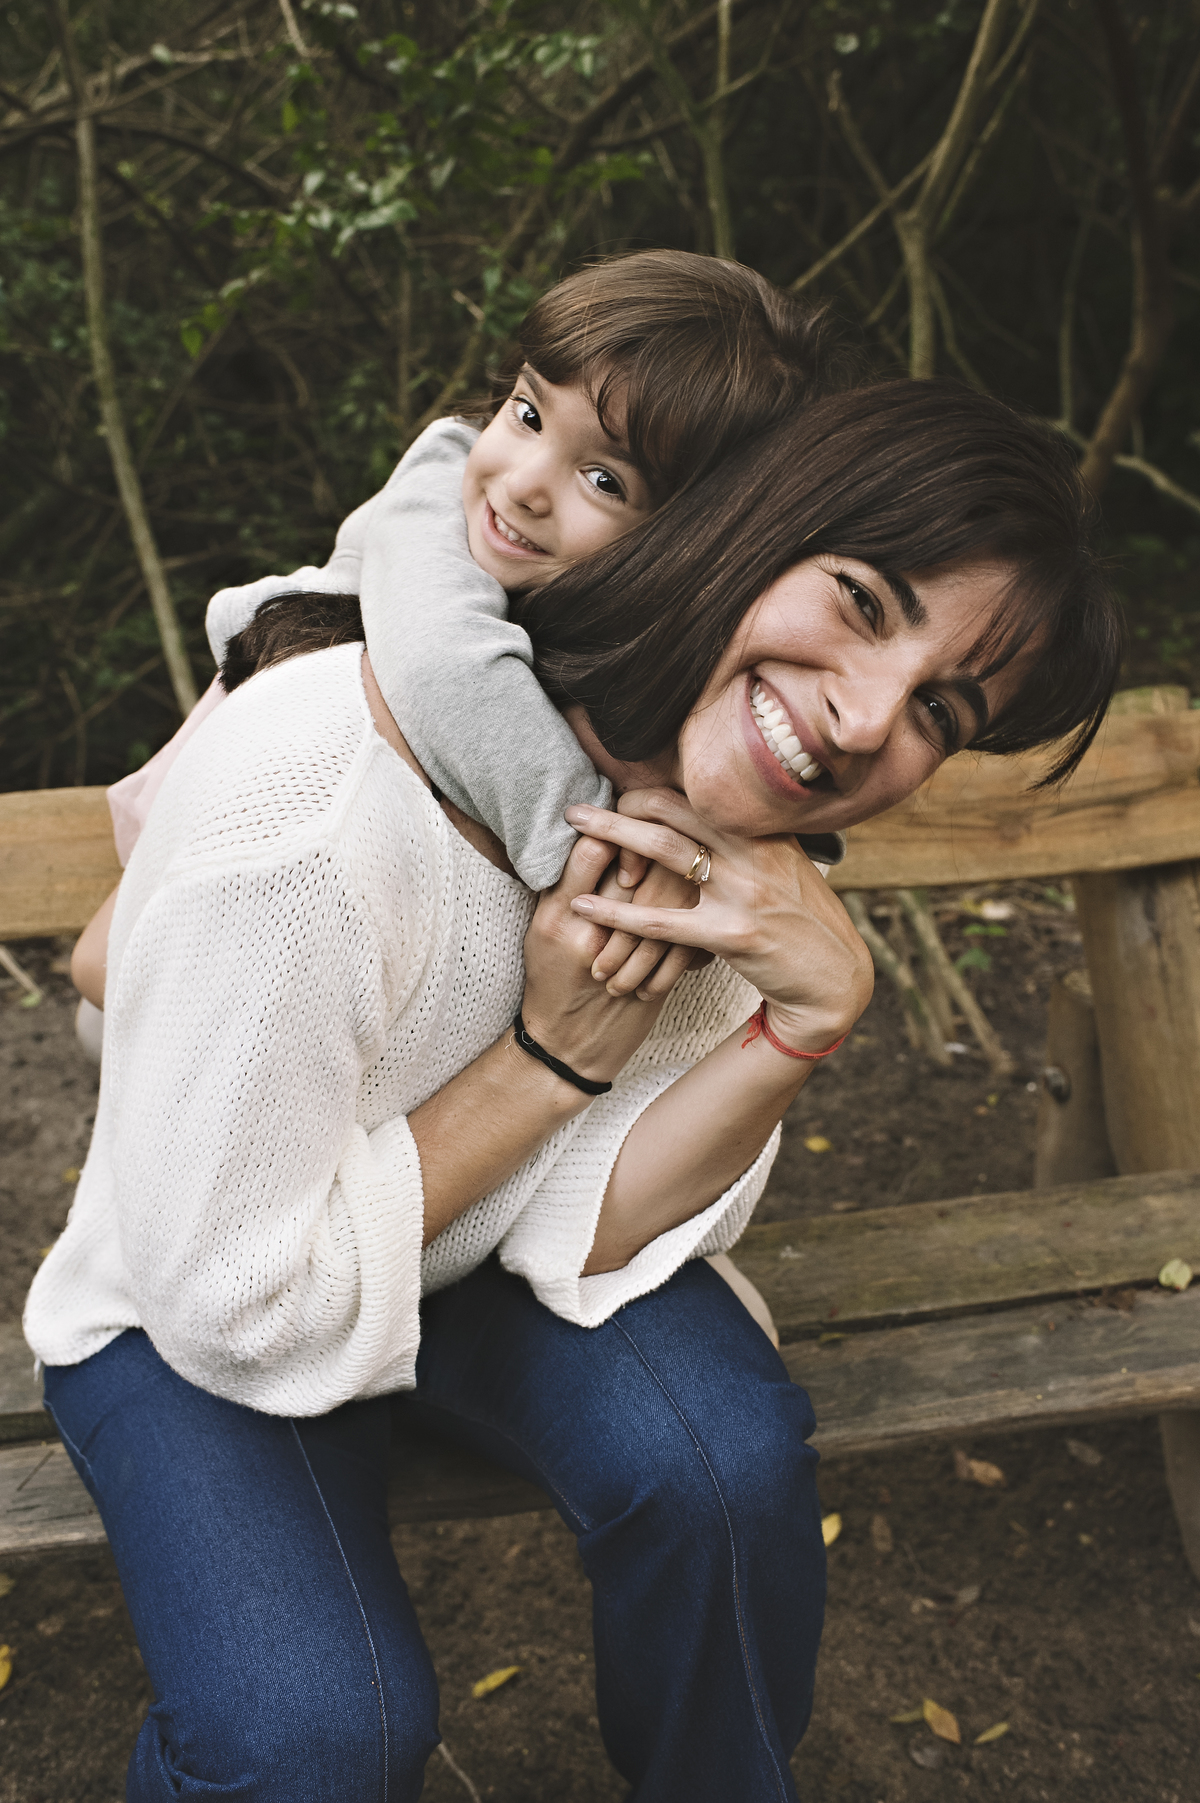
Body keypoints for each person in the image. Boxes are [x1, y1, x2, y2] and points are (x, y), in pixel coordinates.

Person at [27, 379, 1122, 1802]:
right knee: (316, 1734)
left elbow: (583, 1231)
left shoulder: (716, 833)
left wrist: (807, 1019)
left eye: (942, 710)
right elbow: (238, 1291)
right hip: (202, 1294)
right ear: (746, 524)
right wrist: (547, 1062)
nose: (865, 720)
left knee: (719, 1471)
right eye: (860, 600)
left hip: (458, 1257)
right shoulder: (321, 793)